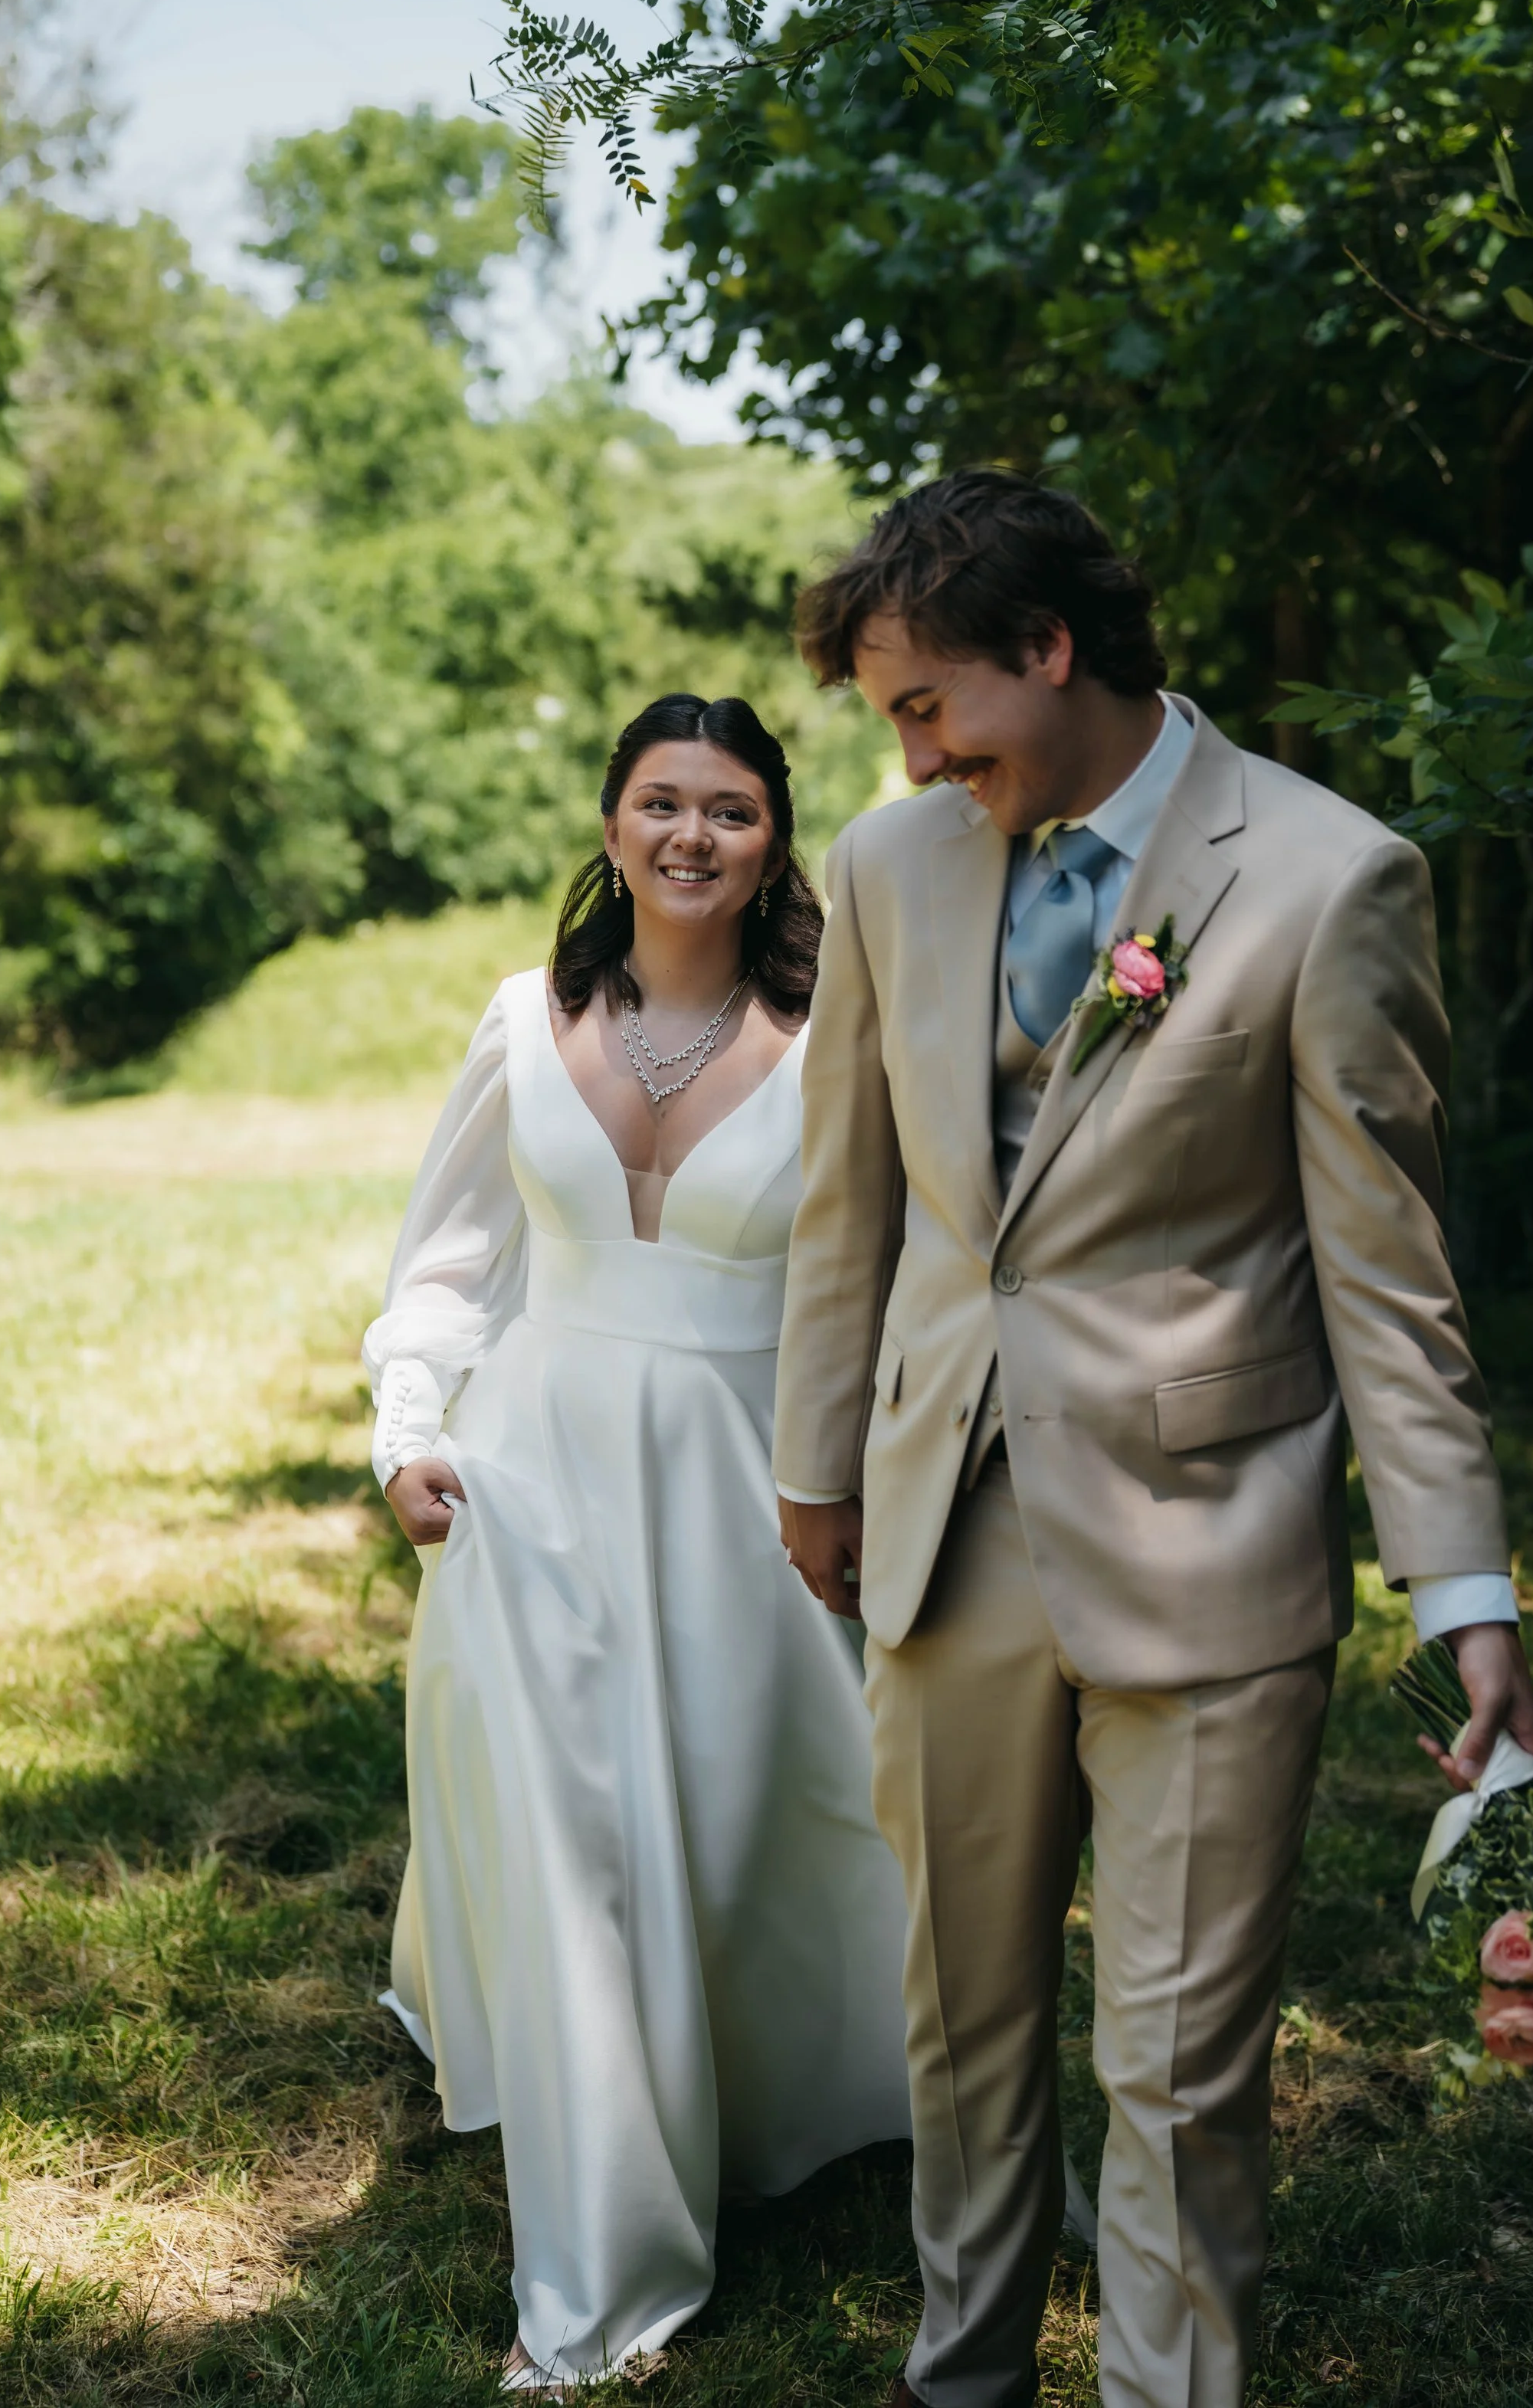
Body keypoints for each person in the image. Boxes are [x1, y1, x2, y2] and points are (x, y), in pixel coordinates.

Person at [773, 472, 1533, 2408]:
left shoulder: (1323, 875)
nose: (915, 751)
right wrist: (815, 1468)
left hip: (1211, 1539)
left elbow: (1387, 1271)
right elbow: (844, 1202)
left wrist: (1459, 1581)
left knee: (1181, 2066)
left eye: (930, 704)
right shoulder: (887, 868)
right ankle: (958, 2379)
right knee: (958, 2024)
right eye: (892, 721)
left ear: (1047, 650)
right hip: (940, 1525)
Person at [364, 692, 910, 2397]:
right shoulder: (523, 1018)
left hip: (754, 1488)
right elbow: (445, 1264)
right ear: (611, 824)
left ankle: (766, 2108)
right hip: (532, 1491)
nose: (691, 834)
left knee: (734, 1837)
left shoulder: (838, 1034)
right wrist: (409, 1431)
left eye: (731, 809)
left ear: (773, 841)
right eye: (660, 801)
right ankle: (593, 2276)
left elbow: (888, 1283)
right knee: (576, 1855)